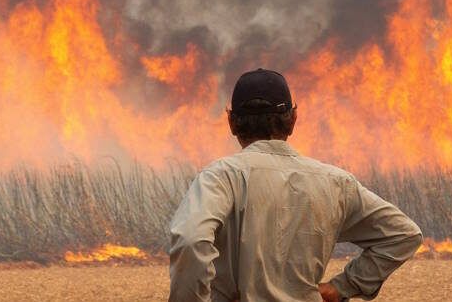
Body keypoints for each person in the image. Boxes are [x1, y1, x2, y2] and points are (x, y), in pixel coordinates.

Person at [168, 68, 423, 301]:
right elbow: (403, 234)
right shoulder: (335, 183)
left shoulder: (220, 177)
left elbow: (190, 240)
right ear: (293, 120)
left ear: (232, 122)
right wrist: (342, 287)